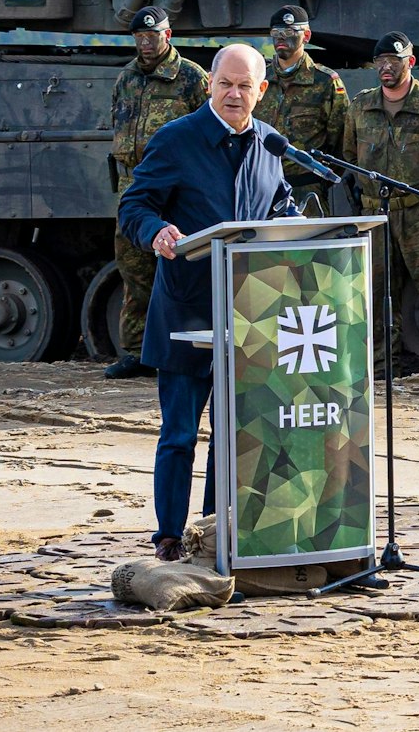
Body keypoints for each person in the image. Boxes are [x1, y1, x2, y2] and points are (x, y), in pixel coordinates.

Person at [118, 44, 296, 561]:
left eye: (245, 86)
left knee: (232, 432)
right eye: (226, 84)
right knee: (178, 434)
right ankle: (170, 538)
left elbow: (280, 207)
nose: (234, 94)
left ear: (261, 91)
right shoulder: (176, 140)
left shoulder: (271, 145)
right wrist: (155, 231)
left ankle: (217, 534)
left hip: (249, 312)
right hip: (186, 310)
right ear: (209, 84)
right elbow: (134, 205)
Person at [341, 32, 419, 372]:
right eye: (380, 63)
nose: (386, 69)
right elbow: (350, 155)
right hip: (375, 213)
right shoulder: (361, 106)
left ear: (410, 62)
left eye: (394, 62)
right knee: (376, 293)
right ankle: (381, 365)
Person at [103, 6, 208, 380]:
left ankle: (178, 350)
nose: (147, 43)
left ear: (168, 35)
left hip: (174, 188)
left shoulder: (192, 78)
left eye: (154, 35)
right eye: (140, 37)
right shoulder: (127, 78)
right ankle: (135, 352)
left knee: (180, 269)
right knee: (133, 269)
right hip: (133, 186)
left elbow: (206, 131)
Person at [255, 4, 347, 216]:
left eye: (289, 33)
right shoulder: (259, 78)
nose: (281, 38)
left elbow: (341, 140)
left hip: (306, 189)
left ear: (306, 35)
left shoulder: (325, 82)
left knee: (311, 249)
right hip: (262, 188)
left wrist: (320, 179)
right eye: (276, 33)